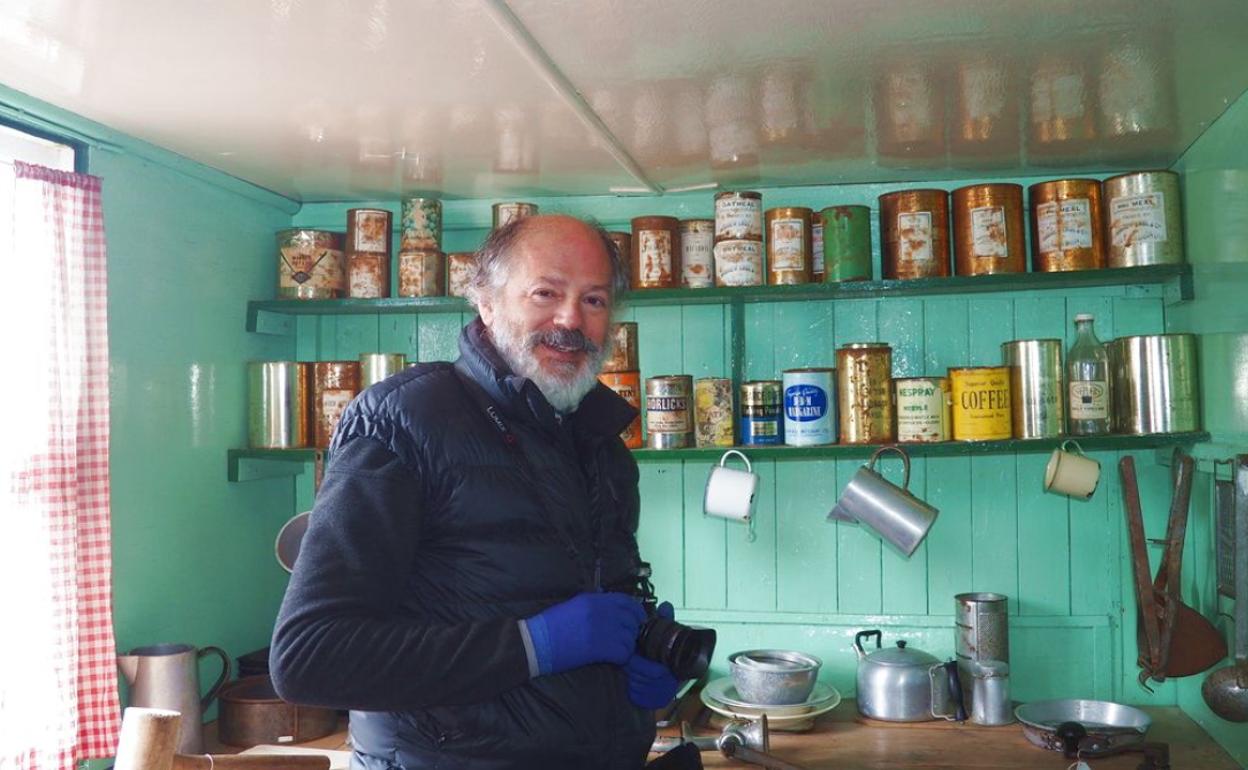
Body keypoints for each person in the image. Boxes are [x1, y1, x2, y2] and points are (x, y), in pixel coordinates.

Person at [270, 215, 683, 769]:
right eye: (545, 292)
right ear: (486, 303)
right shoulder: (403, 420)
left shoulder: (601, 444)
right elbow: (309, 658)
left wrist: (639, 656)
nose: (570, 319)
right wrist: (537, 645)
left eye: (594, 300)